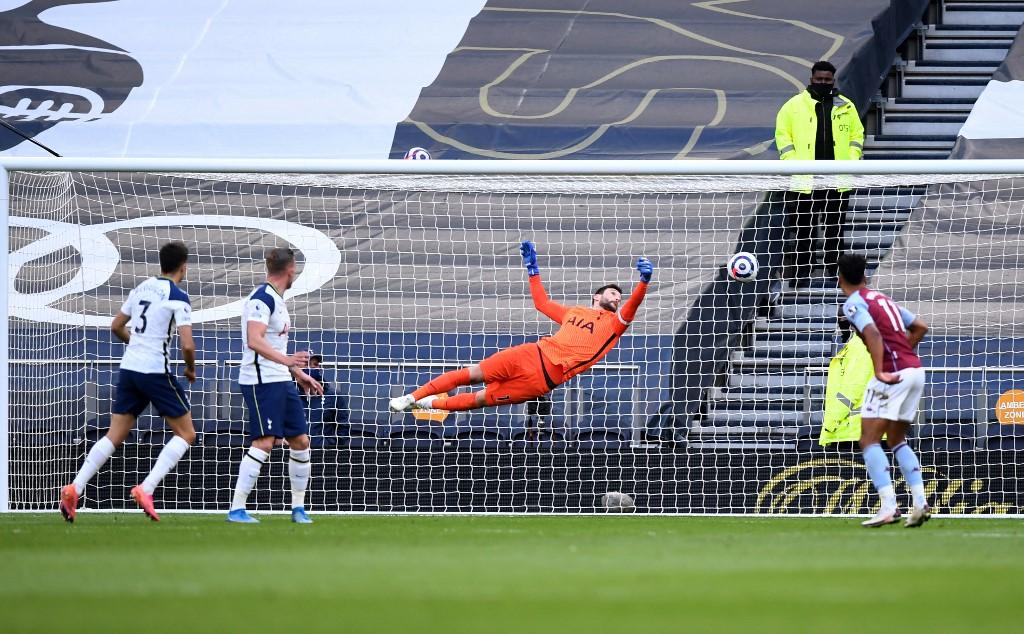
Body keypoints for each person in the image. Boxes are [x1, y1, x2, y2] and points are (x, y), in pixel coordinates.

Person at [390, 241, 652, 413]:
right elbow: (541, 302)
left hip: (542, 381)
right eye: (612, 293)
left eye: (620, 296)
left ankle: (429, 403)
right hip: (532, 353)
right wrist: (532, 269)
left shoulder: (615, 325)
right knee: (472, 373)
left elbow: (632, 307)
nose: (618, 297)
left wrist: (643, 282)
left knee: (480, 399)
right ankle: (412, 397)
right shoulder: (574, 313)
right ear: (596, 296)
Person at [60, 242, 197, 523]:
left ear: (161, 263)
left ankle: (75, 487)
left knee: (114, 435)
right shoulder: (178, 296)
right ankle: (146, 489)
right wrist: (190, 369)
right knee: (186, 434)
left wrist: (137, 344)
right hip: (155, 371)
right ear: (183, 266)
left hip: (129, 369)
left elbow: (116, 326)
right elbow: (187, 345)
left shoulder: (141, 288)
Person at [227, 247, 323, 524]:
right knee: (265, 441)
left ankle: (298, 509)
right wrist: (288, 359)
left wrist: (297, 373)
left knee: (301, 440)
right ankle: (237, 509)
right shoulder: (261, 299)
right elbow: (254, 340)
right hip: (261, 382)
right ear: (291, 270)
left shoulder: (278, 300)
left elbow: (271, 344)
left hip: (281, 379)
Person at [838, 253, 931, 528]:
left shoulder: (853, 303)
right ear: (865, 275)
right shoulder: (881, 298)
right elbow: (920, 327)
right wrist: (903, 352)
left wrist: (880, 369)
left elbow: (873, 334)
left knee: (868, 439)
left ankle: (889, 506)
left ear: (839, 277)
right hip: (914, 370)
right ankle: (920, 502)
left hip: (893, 375)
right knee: (896, 439)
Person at [776, 60, 864, 286]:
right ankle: (801, 274)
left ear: (833, 80)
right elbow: (783, 136)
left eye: (827, 80)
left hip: (837, 180)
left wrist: (851, 161)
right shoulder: (793, 106)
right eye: (819, 80)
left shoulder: (846, 106)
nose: (823, 83)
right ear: (811, 79)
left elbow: (857, 135)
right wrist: (793, 162)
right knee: (803, 229)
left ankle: (835, 273)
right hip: (805, 179)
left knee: (835, 229)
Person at [819, 313, 873, 448]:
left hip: (854, 430)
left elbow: (852, 389)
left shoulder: (861, 346)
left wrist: (831, 423)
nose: (840, 323)